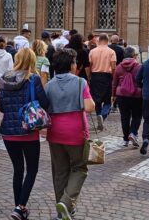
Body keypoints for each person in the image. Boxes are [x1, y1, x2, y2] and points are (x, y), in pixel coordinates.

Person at [0, 49, 50, 220]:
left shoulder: (4, 79)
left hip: (8, 131)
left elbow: (3, 107)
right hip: (28, 130)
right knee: (32, 169)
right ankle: (20, 207)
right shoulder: (32, 79)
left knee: (18, 170)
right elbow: (45, 103)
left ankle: (18, 207)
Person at [44, 48, 95, 220]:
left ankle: (62, 212)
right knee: (79, 169)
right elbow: (89, 107)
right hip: (76, 132)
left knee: (60, 172)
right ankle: (66, 203)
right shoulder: (80, 83)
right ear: (72, 64)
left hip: (54, 133)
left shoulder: (49, 85)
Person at [111, 47, 142, 148]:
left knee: (124, 117)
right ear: (134, 56)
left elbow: (114, 83)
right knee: (137, 115)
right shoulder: (139, 66)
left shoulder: (119, 67)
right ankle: (133, 133)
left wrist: (113, 95)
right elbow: (142, 81)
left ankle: (125, 140)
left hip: (121, 95)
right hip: (136, 95)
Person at [88, 34, 116, 130]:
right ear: (107, 41)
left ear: (99, 40)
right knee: (107, 101)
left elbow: (90, 65)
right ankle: (103, 116)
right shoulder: (111, 52)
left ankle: (99, 115)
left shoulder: (92, 51)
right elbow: (113, 67)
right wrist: (113, 77)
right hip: (106, 77)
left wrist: (89, 77)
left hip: (95, 77)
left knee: (97, 100)